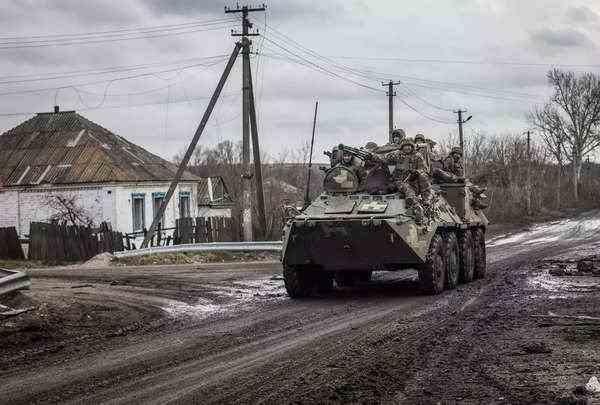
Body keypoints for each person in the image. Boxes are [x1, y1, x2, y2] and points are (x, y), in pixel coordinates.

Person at [369, 139, 433, 223]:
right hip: (400, 181)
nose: (407, 148)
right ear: (402, 147)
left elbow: (424, 169)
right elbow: (383, 159)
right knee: (406, 188)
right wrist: (373, 157)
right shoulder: (397, 154)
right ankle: (415, 205)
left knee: (424, 177)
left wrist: (416, 172)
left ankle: (426, 200)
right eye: (405, 146)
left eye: (409, 146)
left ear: (412, 147)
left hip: (415, 180)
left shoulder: (418, 156)